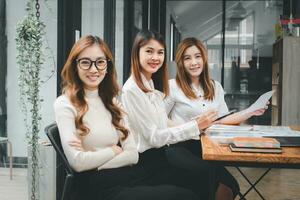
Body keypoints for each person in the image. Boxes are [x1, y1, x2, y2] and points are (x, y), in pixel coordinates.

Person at [54, 35, 199, 200]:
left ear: (107, 66)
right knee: (184, 196)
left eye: (100, 62)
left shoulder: (112, 102)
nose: (94, 69)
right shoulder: (65, 104)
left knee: (192, 184)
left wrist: (96, 160)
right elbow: (78, 163)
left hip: (124, 176)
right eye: (86, 62)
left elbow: (132, 154)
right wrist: (114, 150)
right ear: (75, 66)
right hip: (96, 188)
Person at [121, 29, 226, 200]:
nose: (155, 57)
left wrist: (196, 125)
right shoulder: (132, 90)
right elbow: (154, 137)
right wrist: (195, 126)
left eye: (160, 52)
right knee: (205, 179)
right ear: (136, 53)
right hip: (145, 164)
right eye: (149, 51)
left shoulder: (148, 83)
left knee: (210, 175)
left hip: (160, 156)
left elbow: (163, 122)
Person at [164, 37, 268, 199]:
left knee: (231, 186)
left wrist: (251, 111)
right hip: (181, 146)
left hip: (208, 147)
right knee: (208, 178)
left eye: (197, 56)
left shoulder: (215, 86)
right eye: (187, 58)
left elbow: (223, 119)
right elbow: (160, 119)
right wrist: (191, 126)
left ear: (204, 58)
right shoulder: (172, 86)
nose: (193, 62)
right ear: (181, 63)